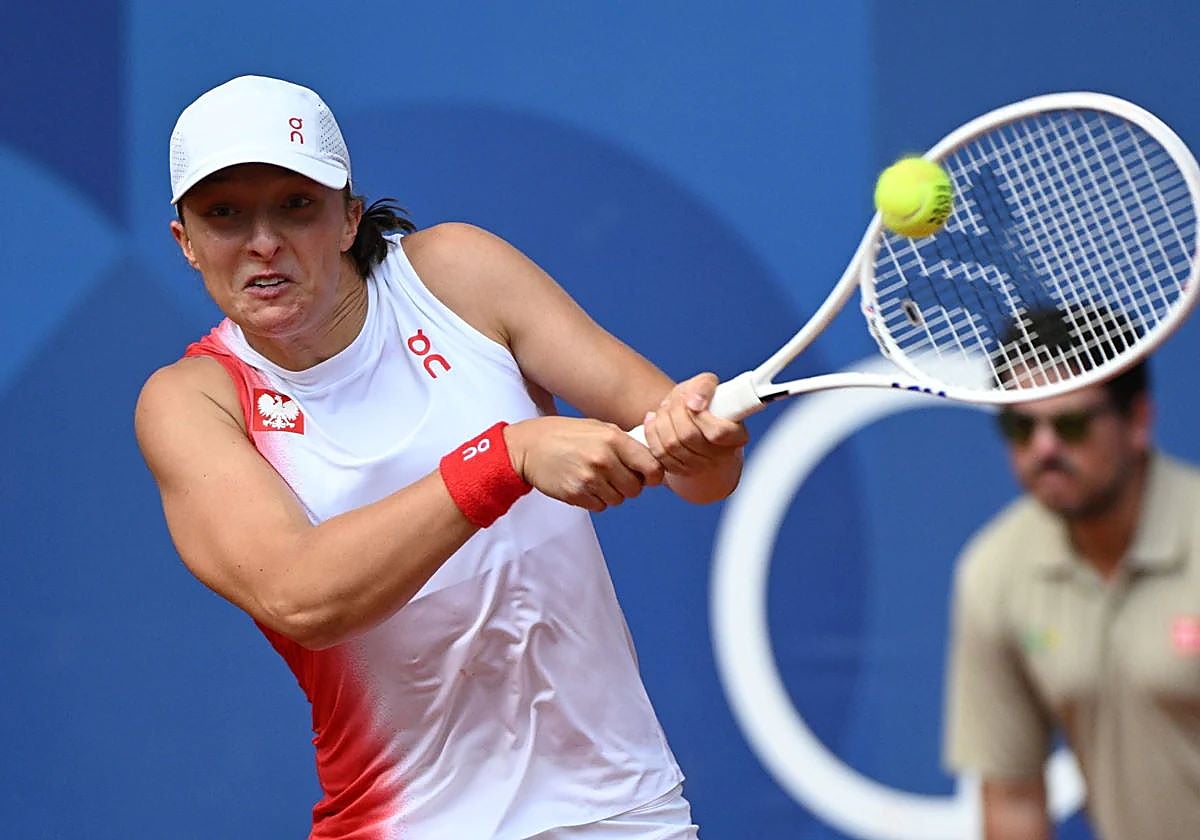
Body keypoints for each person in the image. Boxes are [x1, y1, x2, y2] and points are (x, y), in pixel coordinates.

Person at [135, 75, 747, 840]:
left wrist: (700, 444)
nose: (263, 242)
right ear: (186, 242)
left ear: (348, 217)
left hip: (619, 810)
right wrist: (505, 457)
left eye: (296, 205)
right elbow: (302, 599)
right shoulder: (193, 401)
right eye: (224, 215)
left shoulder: (457, 275)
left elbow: (703, 473)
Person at [942, 309, 1200, 840]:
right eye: (1020, 427)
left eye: (1072, 425)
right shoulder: (994, 571)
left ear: (1138, 421)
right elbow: (1013, 798)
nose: (1044, 448)